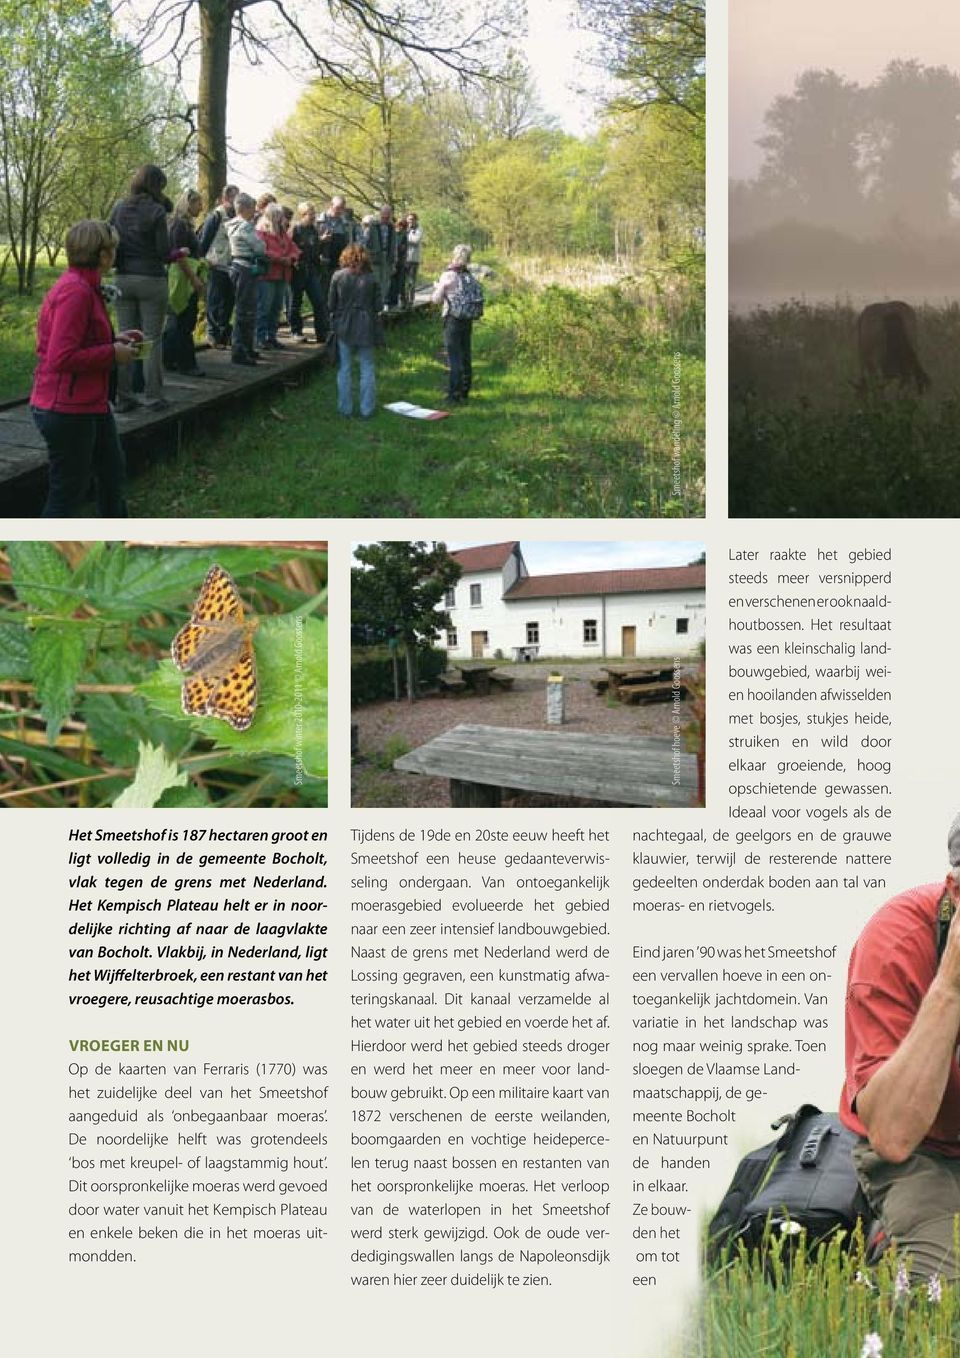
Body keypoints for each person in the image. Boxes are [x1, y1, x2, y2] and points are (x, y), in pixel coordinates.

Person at [840, 817, 960, 1281]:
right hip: (922, 1154)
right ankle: (886, 1236)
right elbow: (892, 1136)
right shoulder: (897, 940)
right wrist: (949, 984)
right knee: (944, 1302)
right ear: (955, 893)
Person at [30, 220, 140, 517]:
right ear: (103, 255)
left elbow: (82, 338)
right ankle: (41, 556)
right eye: (113, 248)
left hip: (90, 403)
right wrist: (111, 353)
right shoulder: (75, 292)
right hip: (65, 408)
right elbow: (61, 357)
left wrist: (113, 340)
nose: (115, 254)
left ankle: (118, 546)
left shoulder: (87, 286)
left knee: (112, 474)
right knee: (68, 493)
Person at [109, 163, 175, 411]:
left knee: (124, 338)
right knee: (152, 339)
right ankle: (153, 396)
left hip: (123, 279)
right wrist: (177, 253)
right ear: (157, 185)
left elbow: (109, 238)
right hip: (151, 280)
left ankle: (124, 397)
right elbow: (163, 252)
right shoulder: (157, 211)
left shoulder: (119, 208)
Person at [328, 243, 383, 418]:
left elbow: (331, 305)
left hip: (344, 324)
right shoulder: (372, 278)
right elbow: (378, 306)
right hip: (366, 325)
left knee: (344, 368)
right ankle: (367, 410)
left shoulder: (337, 276)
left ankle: (345, 409)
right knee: (367, 367)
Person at [431, 243, 483, 404]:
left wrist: (439, 287)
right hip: (467, 319)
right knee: (465, 354)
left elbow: (436, 299)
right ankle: (465, 391)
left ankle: (454, 394)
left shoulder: (449, 275)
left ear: (454, 255)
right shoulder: (469, 275)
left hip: (453, 318)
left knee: (454, 357)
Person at [162, 189, 205, 375]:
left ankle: (170, 359)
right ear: (189, 204)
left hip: (185, 275)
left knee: (177, 319)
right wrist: (194, 277)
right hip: (183, 277)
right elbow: (179, 256)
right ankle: (186, 364)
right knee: (184, 320)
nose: (201, 207)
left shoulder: (184, 224)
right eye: (198, 204)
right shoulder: (180, 225)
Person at [226, 193, 267, 366]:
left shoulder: (230, 224)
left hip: (236, 266)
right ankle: (240, 351)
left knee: (244, 310)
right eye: (251, 207)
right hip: (245, 268)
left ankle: (246, 348)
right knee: (246, 311)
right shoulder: (245, 226)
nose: (254, 210)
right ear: (244, 208)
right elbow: (259, 247)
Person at [197, 184, 238, 347]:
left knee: (229, 301)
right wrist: (203, 262)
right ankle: (212, 335)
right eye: (232, 197)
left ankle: (223, 334)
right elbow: (204, 241)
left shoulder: (236, 217)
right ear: (225, 198)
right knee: (214, 301)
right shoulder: (215, 216)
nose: (235, 201)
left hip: (231, 265)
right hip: (215, 265)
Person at [255, 203, 300, 349]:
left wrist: (292, 258)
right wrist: (281, 258)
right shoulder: (261, 231)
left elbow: (293, 247)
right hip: (268, 274)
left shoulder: (282, 232)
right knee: (264, 308)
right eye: (279, 215)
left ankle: (272, 336)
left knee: (276, 308)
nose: (282, 218)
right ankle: (260, 338)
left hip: (283, 274)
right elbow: (263, 251)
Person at [290, 201, 329, 342]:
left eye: (314, 213)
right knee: (296, 302)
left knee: (319, 301)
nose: (313, 216)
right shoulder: (295, 229)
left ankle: (322, 333)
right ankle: (296, 331)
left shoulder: (313, 229)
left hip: (311, 270)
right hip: (298, 270)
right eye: (311, 213)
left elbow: (315, 247)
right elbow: (289, 248)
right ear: (303, 214)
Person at [363, 205, 397, 312]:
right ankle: (373, 303)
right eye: (384, 217)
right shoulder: (372, 227)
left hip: (388, 256)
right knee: (376, 280)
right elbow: (365, 243)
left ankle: (383, 302)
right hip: (375, 256)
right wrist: (368, 255)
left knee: (386, 281)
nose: (385, 219)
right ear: (380, 215)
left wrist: (394, 260)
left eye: (388, 217)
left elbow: (394, 244)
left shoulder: (392, 227)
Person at [403, 212, 422, 308]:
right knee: (403, 281)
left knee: (411, 281)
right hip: (404, 259)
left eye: (412, 219)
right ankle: (404, 299)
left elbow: (416, 240)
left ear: (415, 220)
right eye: (409, 219)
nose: (410, 221)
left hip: (413, 260)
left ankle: (411, 300)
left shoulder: (418, 229)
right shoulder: (405, 228)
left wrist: (405, 236)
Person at [388, 214, 408, 309]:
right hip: (393, 262)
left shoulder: (404, 235)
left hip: (401, 262)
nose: (400, 227)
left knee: (400, 283)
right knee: (392, 282)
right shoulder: (393, 234)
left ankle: (402, 302)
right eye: (399, 225)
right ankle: (392, 302)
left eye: (402, 225)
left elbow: (403, 248)